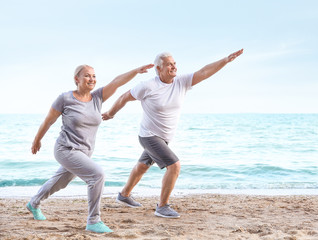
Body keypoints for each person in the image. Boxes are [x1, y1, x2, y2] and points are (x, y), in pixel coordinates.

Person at [102, 49, 244, 218]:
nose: (173, 67)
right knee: (174, 166)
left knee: (142, 166)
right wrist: (111, 113)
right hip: (148, 135)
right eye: (169, 64)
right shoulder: (148, 86)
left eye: (174, 63)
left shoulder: (181, 82)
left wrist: (225, 60)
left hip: (164, 137)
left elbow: (205, 72)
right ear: (158, 69)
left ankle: (124, 196)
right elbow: (124, 97)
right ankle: (162, 206)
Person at [27, 63, 154, 233]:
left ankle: (33, 202)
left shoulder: (97, 98)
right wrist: (37, 140)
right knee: (97, 175)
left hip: (84, 152)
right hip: (66, 149)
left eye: (94, 76)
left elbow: (116, 82)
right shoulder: (65, 99)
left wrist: (135, 71)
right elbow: (48, 121)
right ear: (76, 79)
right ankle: (93, 220)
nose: (92, 79)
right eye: (87, 75)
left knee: (60, 181)